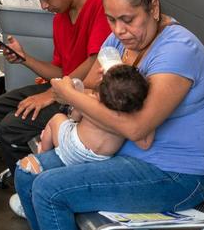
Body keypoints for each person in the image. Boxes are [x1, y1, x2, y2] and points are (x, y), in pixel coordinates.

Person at [14, 0, 204, 230]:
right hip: (119, 154)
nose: (119, 30)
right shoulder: (120, 41)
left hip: (175, 176)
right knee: (26, 174)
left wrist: (71, 95)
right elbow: (91, 86)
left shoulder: (178, 50)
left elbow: (137, 128)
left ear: (153, 8)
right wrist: (80, 95)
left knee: (49, 189)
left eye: (128, 19)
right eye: (111, 20)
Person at [0, 0, 111, 186]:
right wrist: (25, 59)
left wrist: (52, 94)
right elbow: (60, 72)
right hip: (65, 90)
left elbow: (95, 62)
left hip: (85, 97)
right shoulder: (61, 17)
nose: (43, 6)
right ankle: (35, 166)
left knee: (11, 128)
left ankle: (33, 187)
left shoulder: (101, 4)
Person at [17, 65, 149, 173]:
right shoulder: (129, 119)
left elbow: (74, 117)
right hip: (100, 160)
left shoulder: (92, 103)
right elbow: (145, 137)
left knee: (57, 118)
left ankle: (43, 151)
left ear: (99, 93)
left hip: (71, 149)